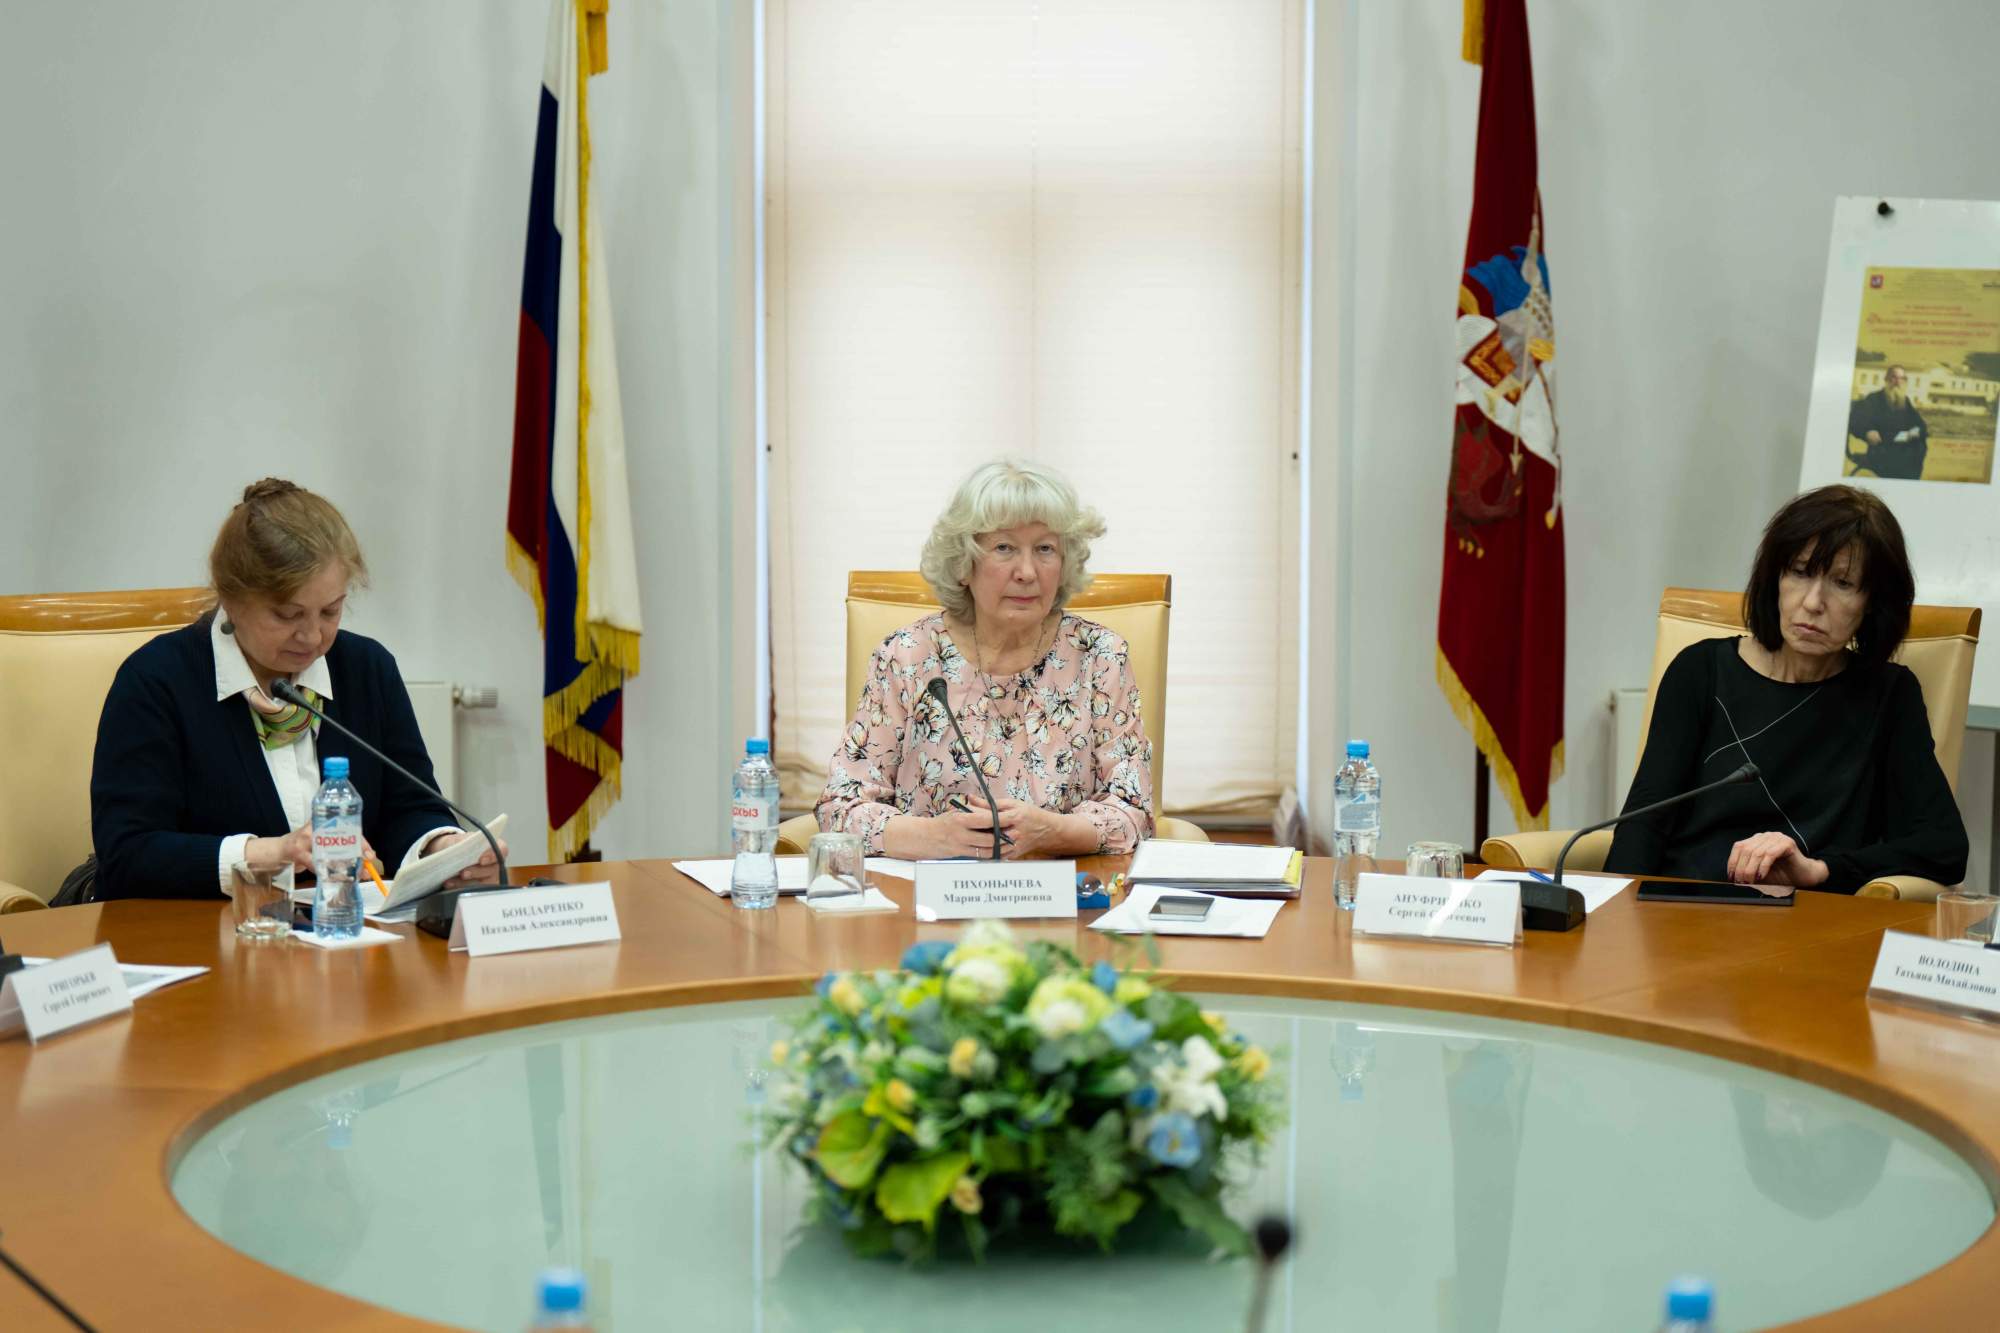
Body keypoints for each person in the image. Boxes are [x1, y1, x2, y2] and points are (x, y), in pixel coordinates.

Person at [89, 479, 503, 900]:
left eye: (330, 611)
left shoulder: (367, 669)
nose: (312, 636)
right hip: (196, 929)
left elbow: (409, 808)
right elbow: (128, 853)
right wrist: (273, 853)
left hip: (339, 926)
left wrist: (443, 849)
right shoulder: (156, 681)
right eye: (288, 615)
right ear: (231, 600)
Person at [1604, 485, 1967, 891]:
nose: (1813, 602)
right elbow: (1643, 823)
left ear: (1872, 602)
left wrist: (1821, 869)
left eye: (1843, 583)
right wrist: (1614, 915)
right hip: (1679, 908)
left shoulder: (1888, 695)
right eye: (1800, 571)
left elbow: (1943, 847)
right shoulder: (1700, 671)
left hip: (1807, 917)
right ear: (1775, 576)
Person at [815, 459, 1155, 860]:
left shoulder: (1100, 657)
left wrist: (1051, 831)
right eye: (1004, 548)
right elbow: (841, 808)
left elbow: (1133, 811)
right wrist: (934, 837)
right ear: (965, 563)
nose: (1027, 572)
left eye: (1045, 549)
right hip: (925, 890)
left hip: (1063, 890)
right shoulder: (907, 656)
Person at [1845, 365, 1929, 479]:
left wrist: (1914, 432)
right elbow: (1856, 420)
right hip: (1883, 449)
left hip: (1904, 447)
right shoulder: (1873, 399)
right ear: (1886, 379)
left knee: (1917, 447)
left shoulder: (1905, 401)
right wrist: (1867, 432)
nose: (1898, 382)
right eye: (1894, 377)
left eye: (1902, 378)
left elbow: (1920, 425)